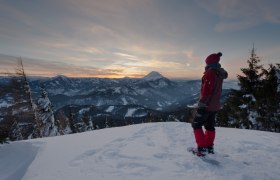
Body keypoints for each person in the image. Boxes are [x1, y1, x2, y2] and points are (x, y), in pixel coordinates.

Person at [192, 52, 228, 156]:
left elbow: (207, 91)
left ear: (209, 63)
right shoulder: (219, 73)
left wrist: (202, 104)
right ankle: (209, 147)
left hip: (207, 105)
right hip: (215, 105)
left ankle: (201, 148)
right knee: (209, 126)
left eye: (206, 62)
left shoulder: (210, 72)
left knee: (196, 124)